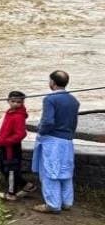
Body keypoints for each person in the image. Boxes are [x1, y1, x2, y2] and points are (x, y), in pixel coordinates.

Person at [33, 71, 80, 214]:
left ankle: (52, 204)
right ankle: (67, 202)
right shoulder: (74, 100)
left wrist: (40, 131)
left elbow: (48, 121)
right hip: (67, 141)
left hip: (52, 141)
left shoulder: (50, 99)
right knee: (65, 171)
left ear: (52, 82)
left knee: (49, 172)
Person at [0, 91, 35, 200]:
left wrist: (6, 141)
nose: (15, 104)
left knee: (11, 169)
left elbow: (21, 133)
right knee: (4, 168)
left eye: (19, 102)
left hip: (11, 147)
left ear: (22, 102)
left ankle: (11, 194)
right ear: (8, 101)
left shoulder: (19, 116)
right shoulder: (10, 112)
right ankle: (27, 185)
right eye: (13, 101)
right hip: (5, 145)